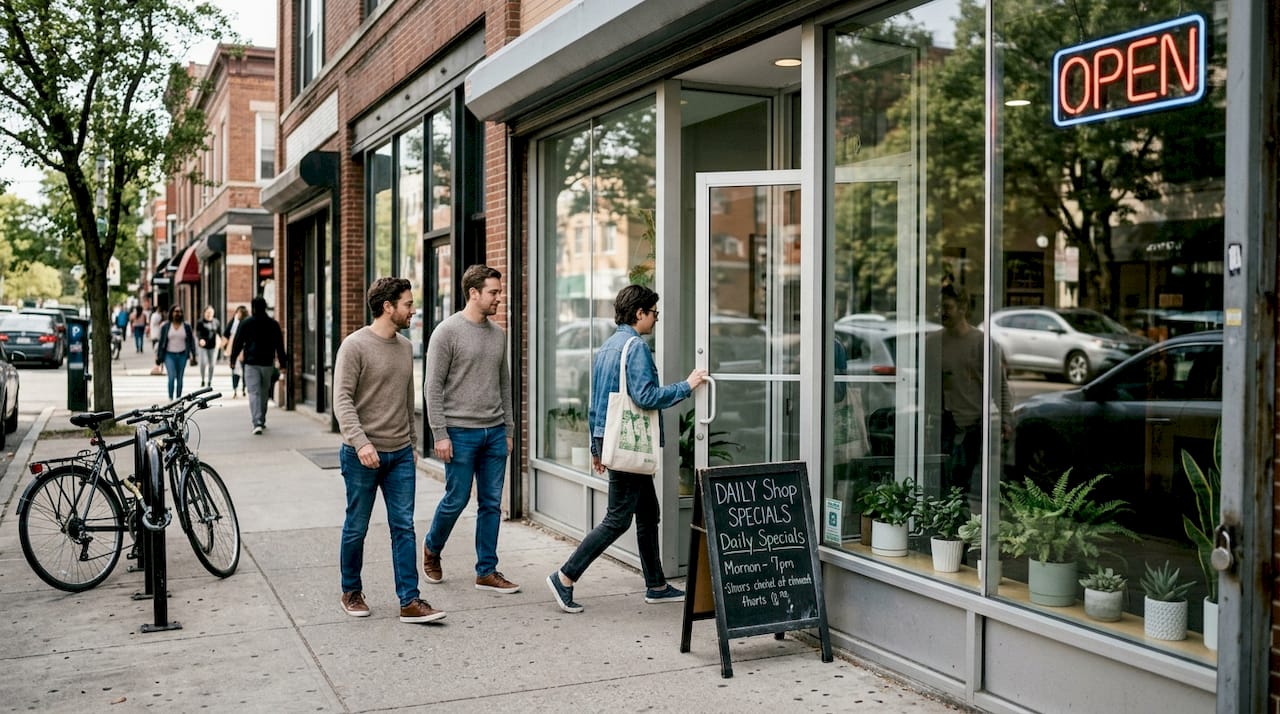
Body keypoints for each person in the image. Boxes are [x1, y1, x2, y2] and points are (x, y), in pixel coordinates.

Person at [546, 284, 707, 614]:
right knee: (617, 519)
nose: (656, 319)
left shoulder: (607, 347)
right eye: (654, 313)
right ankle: (564, 577)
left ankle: (657, 585)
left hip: (614, 442)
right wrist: (687, 386)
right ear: (640, 313)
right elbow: (645, 397)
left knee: (648, 514)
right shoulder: (634, 347)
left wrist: (596, 446)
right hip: (628, 445)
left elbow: (596, 403)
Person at [333, 276, 444, 624]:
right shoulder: (354, 346)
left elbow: (404, 400)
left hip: (399, 456)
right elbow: (342, 401)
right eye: (408, 304)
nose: (413, 310)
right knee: (356, 526)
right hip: (361, 455)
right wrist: (361, 442)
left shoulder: (405, 347)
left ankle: (409, 600)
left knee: (403, 527)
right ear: (388, 307)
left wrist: (411, 444)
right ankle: (351, 590)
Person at [422, 265, 518, 594]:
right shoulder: (446, 332)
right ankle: (432, 548)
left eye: (498, 292)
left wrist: (508, 429)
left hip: (494, 432)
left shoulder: (498, 334)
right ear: (473, 293)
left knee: (491, 504)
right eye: (493, 292)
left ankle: (486, 570)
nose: (498, 298)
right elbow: (432, 387)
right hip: (459, 433)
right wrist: (440, 433)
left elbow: (504, 385)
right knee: (456, 499)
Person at [926, 284, 1012, 496]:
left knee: (959, 485)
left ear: (962, 308)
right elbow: (928, 386)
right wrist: (927, 420)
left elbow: (998, 385)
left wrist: (1005, 419)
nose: (942, 312)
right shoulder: (932, 343)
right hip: (941, 425)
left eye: (947, 307)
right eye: (939, 307)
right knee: (940, 484)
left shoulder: (982, 343)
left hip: (971, 426)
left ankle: (959, 526)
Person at [229, 296, 286, 435]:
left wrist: (232, 359)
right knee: (264, 392)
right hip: (267, 363)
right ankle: (261, 418)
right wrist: (283, 364)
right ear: (265, 307)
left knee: (254, 392)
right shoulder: (273, 324)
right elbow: (280, 345)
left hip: (251, 363)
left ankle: (257, 421)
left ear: (253, 307)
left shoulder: (246, 323)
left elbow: (237, 342)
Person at [155, 305, 196, 399]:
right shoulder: (166, 326)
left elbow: (191, 341)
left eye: (179, 311)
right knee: (171, 377)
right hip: (169, 355)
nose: (178, 313)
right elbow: (162, 342)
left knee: (180, 378)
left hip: (182, 355)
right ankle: (170, 398)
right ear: (172, 313)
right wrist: (158, 356)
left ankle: (178, 398)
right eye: (175, 311)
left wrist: (193, 355)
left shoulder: (186, 326)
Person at [223, 305, 248, 397]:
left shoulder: (246, 323)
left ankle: (244, 388)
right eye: (237, 312)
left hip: (243, 350)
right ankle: (235, 389)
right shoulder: (233, 322)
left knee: (244, 370)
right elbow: (226, 333)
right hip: (234, 348)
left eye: (239, 313)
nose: (237, 314)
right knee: (235, 371)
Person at [195, 306, 222, 388]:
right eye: (208, 312)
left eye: (211, 312)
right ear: (204, 313)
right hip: (203, 346)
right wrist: (200, 340)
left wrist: (221, 343)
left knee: (212, 364)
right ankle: (203, 379)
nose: (209, 314)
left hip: (213, 347)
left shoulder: (216, 322)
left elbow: (220, 334)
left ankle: (210, 381)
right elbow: (198, 333)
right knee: (203, 363)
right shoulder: (200, 322)